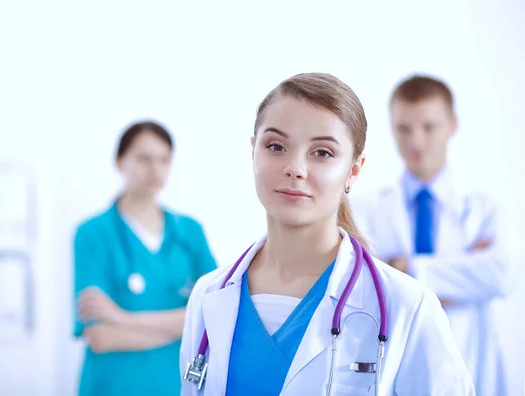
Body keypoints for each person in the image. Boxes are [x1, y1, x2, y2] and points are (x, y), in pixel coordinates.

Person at [179, 73, 474, 395]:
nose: (295, 168)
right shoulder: (210, 295)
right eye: (275, 146)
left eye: (322, 153)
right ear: (253, 152)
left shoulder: (406, 306)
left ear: (354, 170)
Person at [350, 75, 515, 396]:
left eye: (429, 127)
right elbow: (365, 287)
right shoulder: (366, 209)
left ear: (453, 125)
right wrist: (463, 272)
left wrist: (403, 268)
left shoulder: (485, 208)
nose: (416, 141)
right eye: (404, 128)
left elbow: (502, 274)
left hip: (472, 365)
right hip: (396, 368)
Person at [73, 121, 218, 396]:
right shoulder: (92, 234)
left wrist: (122, 318)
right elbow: (101, 337)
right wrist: (183, 324)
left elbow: (214, 315)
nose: (156, 169)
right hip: (112, 386)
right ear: (119, 162)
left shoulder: (189, 232)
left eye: (164, 159)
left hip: (175, 386)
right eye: (144, 159)